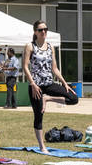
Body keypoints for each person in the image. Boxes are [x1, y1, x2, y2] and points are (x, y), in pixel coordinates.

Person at [24, 19, 78, 154]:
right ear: (35, 32)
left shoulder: (50, 47)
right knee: (38, 115)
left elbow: (55, 68)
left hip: (49, 84)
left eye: (45, 30)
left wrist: (64, 83)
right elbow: (25, 67)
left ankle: (47, 99)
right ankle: (42, 146)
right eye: (41, 30)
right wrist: (33, 84)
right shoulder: (30, 46)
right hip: (36, 86)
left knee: (74, 98)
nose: (44, 32)